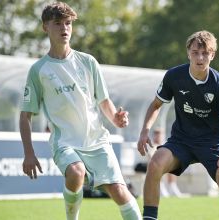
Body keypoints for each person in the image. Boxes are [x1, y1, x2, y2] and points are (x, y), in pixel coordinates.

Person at [19, 2, 141, 220]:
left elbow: (104, 101)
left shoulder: (88, 62)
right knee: (76, 173)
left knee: (120, 192)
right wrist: (28, 153)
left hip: (97, 140)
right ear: (45, 27)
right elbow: (25, 115)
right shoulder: (38, 71)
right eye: (58, 24)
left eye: (68, 23)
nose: (64, 29)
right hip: (64, 142)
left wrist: (116, 119)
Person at [137, 30, 219, 220]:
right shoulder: (174, 76)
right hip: (182, 141)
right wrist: (145, 131)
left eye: (205, 53)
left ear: (213, 55)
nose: (200, 57)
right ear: (188, 53)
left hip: (212, 145)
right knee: (155, 163)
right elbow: (155, 105)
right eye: (195, 52)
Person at [152, 128, 186, 198]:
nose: (158, 137)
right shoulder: (152, 145)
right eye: (157, 135)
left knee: (172, 167)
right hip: (147, 165)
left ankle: (172, 186)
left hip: (161, 164)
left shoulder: (164, 144)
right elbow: (151, 157)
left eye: (160, 135)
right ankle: (161, 188)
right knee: (158, 167)